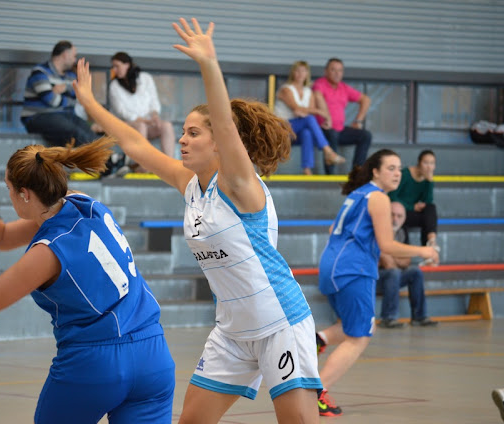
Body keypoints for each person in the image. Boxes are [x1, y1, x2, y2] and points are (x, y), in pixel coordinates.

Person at [72, 18, 321, 424]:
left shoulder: (241, 184)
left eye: (192, 133)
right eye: (183, 132)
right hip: (231, 331)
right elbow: (135, 143)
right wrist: (90, 104)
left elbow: (224, 123)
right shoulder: (191, 185)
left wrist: (209, 63)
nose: (183, 139)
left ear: (220, 144)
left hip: (280, 323)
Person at [0, 139, 175, 423]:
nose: (8, 195)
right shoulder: (82, 202)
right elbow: (3, 237)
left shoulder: (47, 252)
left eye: (9, 189)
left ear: (25, 194)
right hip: (152, 356)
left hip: (95, 363)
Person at [314, 149, 439, 416]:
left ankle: (319, 339)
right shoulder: (378, 198)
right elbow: (387, 245)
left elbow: (331, 230)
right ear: (376, 171)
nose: (397, 173)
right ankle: (318, 391)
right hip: (353, 270)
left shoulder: (357, 195)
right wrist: (423, 251)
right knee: (360, 336)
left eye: (399, 169)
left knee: (351, 325)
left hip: (332, 265)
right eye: (391, 168)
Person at [21, 40, 128, 177]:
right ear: (65, 55)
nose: (75, 59)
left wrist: (62, 90)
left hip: (64, 115)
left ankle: (107, 162)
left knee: (85, 127)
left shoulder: (70, 77)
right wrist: (65, 95)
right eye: (74, 55)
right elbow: (52, 100)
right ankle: (109, 163)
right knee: (72, 131)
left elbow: (75, 101)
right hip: (37, 117)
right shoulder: (40, 73)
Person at [274, 60, 345, 174]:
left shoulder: (308, 92)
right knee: (309, 120)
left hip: (296, 131)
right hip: (282, 128)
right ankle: (328, 151)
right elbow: (296, 108)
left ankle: (307, 169)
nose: (300, 73)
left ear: (307, 73)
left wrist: (306, 112)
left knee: (307, 132)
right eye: (297, 70)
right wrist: (321, 112)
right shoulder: (286, 89)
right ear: (293, 73)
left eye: (303, 71)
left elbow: (307, 112)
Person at [376, 202, 437, 328]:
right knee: (394, 273)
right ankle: (388, 317)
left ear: (404, 219)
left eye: (399, 216)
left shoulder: (402, 232)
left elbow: (406, 261)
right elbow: (384, 263)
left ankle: (419, 317)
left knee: (415, 272)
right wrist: (393, 258)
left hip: (392, 277)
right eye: (392, 215)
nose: (395, 219)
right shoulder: (377, 230)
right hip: (372, 278)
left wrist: (390, 256)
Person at [109, 52, 176, 159]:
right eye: (113, 67)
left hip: (147, 124)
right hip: (126, 126)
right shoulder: (114, 86)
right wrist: (145, 121)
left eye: (117, 66)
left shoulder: (145, 78)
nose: (114, 70)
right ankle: (143, 164)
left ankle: (170, 164)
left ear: (127, 64)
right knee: (141, 126)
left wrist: (155, 116)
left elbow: (154, 100)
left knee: (166, 126)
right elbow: (123, 112)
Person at [312, 58, 372, 174]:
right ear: (326, 71)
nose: (337, 73)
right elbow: (319, 99)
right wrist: (328, 118)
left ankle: (357, 173)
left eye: (340, 70)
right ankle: (330, 177)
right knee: (331, 133)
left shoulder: (343, 87)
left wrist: (358, 120)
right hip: (322, 129)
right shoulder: (320, 84)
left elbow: (366, 100)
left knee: (365, 135)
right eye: (333, 70)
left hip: (340, 130)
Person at [389, 149, 438, 247]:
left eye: (432, 163)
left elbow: (427, 201)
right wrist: (411, 207)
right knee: (426, 219)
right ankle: (428, 249)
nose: (429, 167)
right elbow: (392, 196)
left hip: (411, 213)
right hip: (398, 212)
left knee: (430, 209)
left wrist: (429, 182)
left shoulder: (427, 180)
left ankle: (431, 243)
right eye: (425, 162)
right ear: (419, 163)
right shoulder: (405, 174)